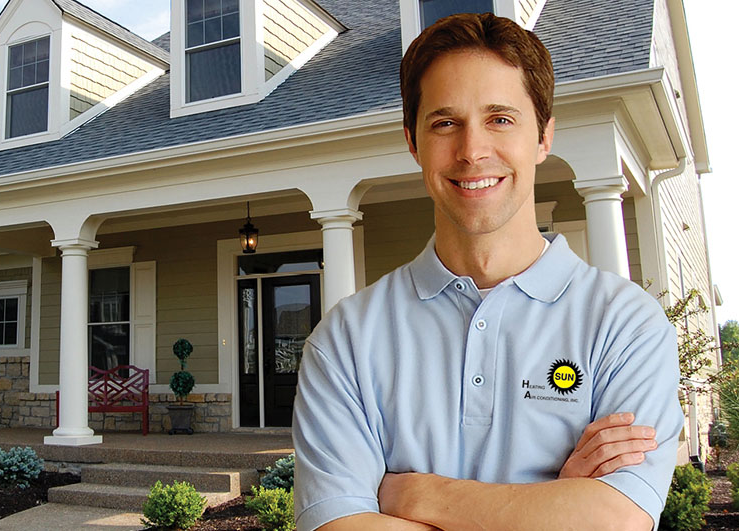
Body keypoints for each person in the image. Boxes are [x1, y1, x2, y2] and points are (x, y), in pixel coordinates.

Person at [292, 12, 682, 531]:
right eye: (445, 123)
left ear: (543, 137)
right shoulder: (345, 340)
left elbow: (616, 522)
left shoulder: (627, 326)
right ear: (413, 142)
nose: (472, 151)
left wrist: (417, 495)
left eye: (500, 118)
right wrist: (554, 504)